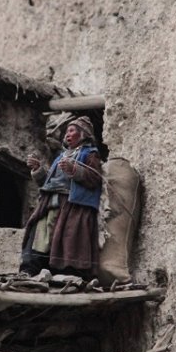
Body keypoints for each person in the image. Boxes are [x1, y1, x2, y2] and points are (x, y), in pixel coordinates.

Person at [20, 116, 103, 279]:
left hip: (73, 204)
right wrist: (38, 169)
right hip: (50, 202)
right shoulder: (60, 156)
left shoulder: (90, 154)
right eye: (66, 132)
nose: (67, 134)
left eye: (71, 131)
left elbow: (95, 178)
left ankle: (67, 273)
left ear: (83, 134)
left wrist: (74, 170)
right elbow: (49, 182)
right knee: (39, 233)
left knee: (69, 236)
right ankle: (30, 269)